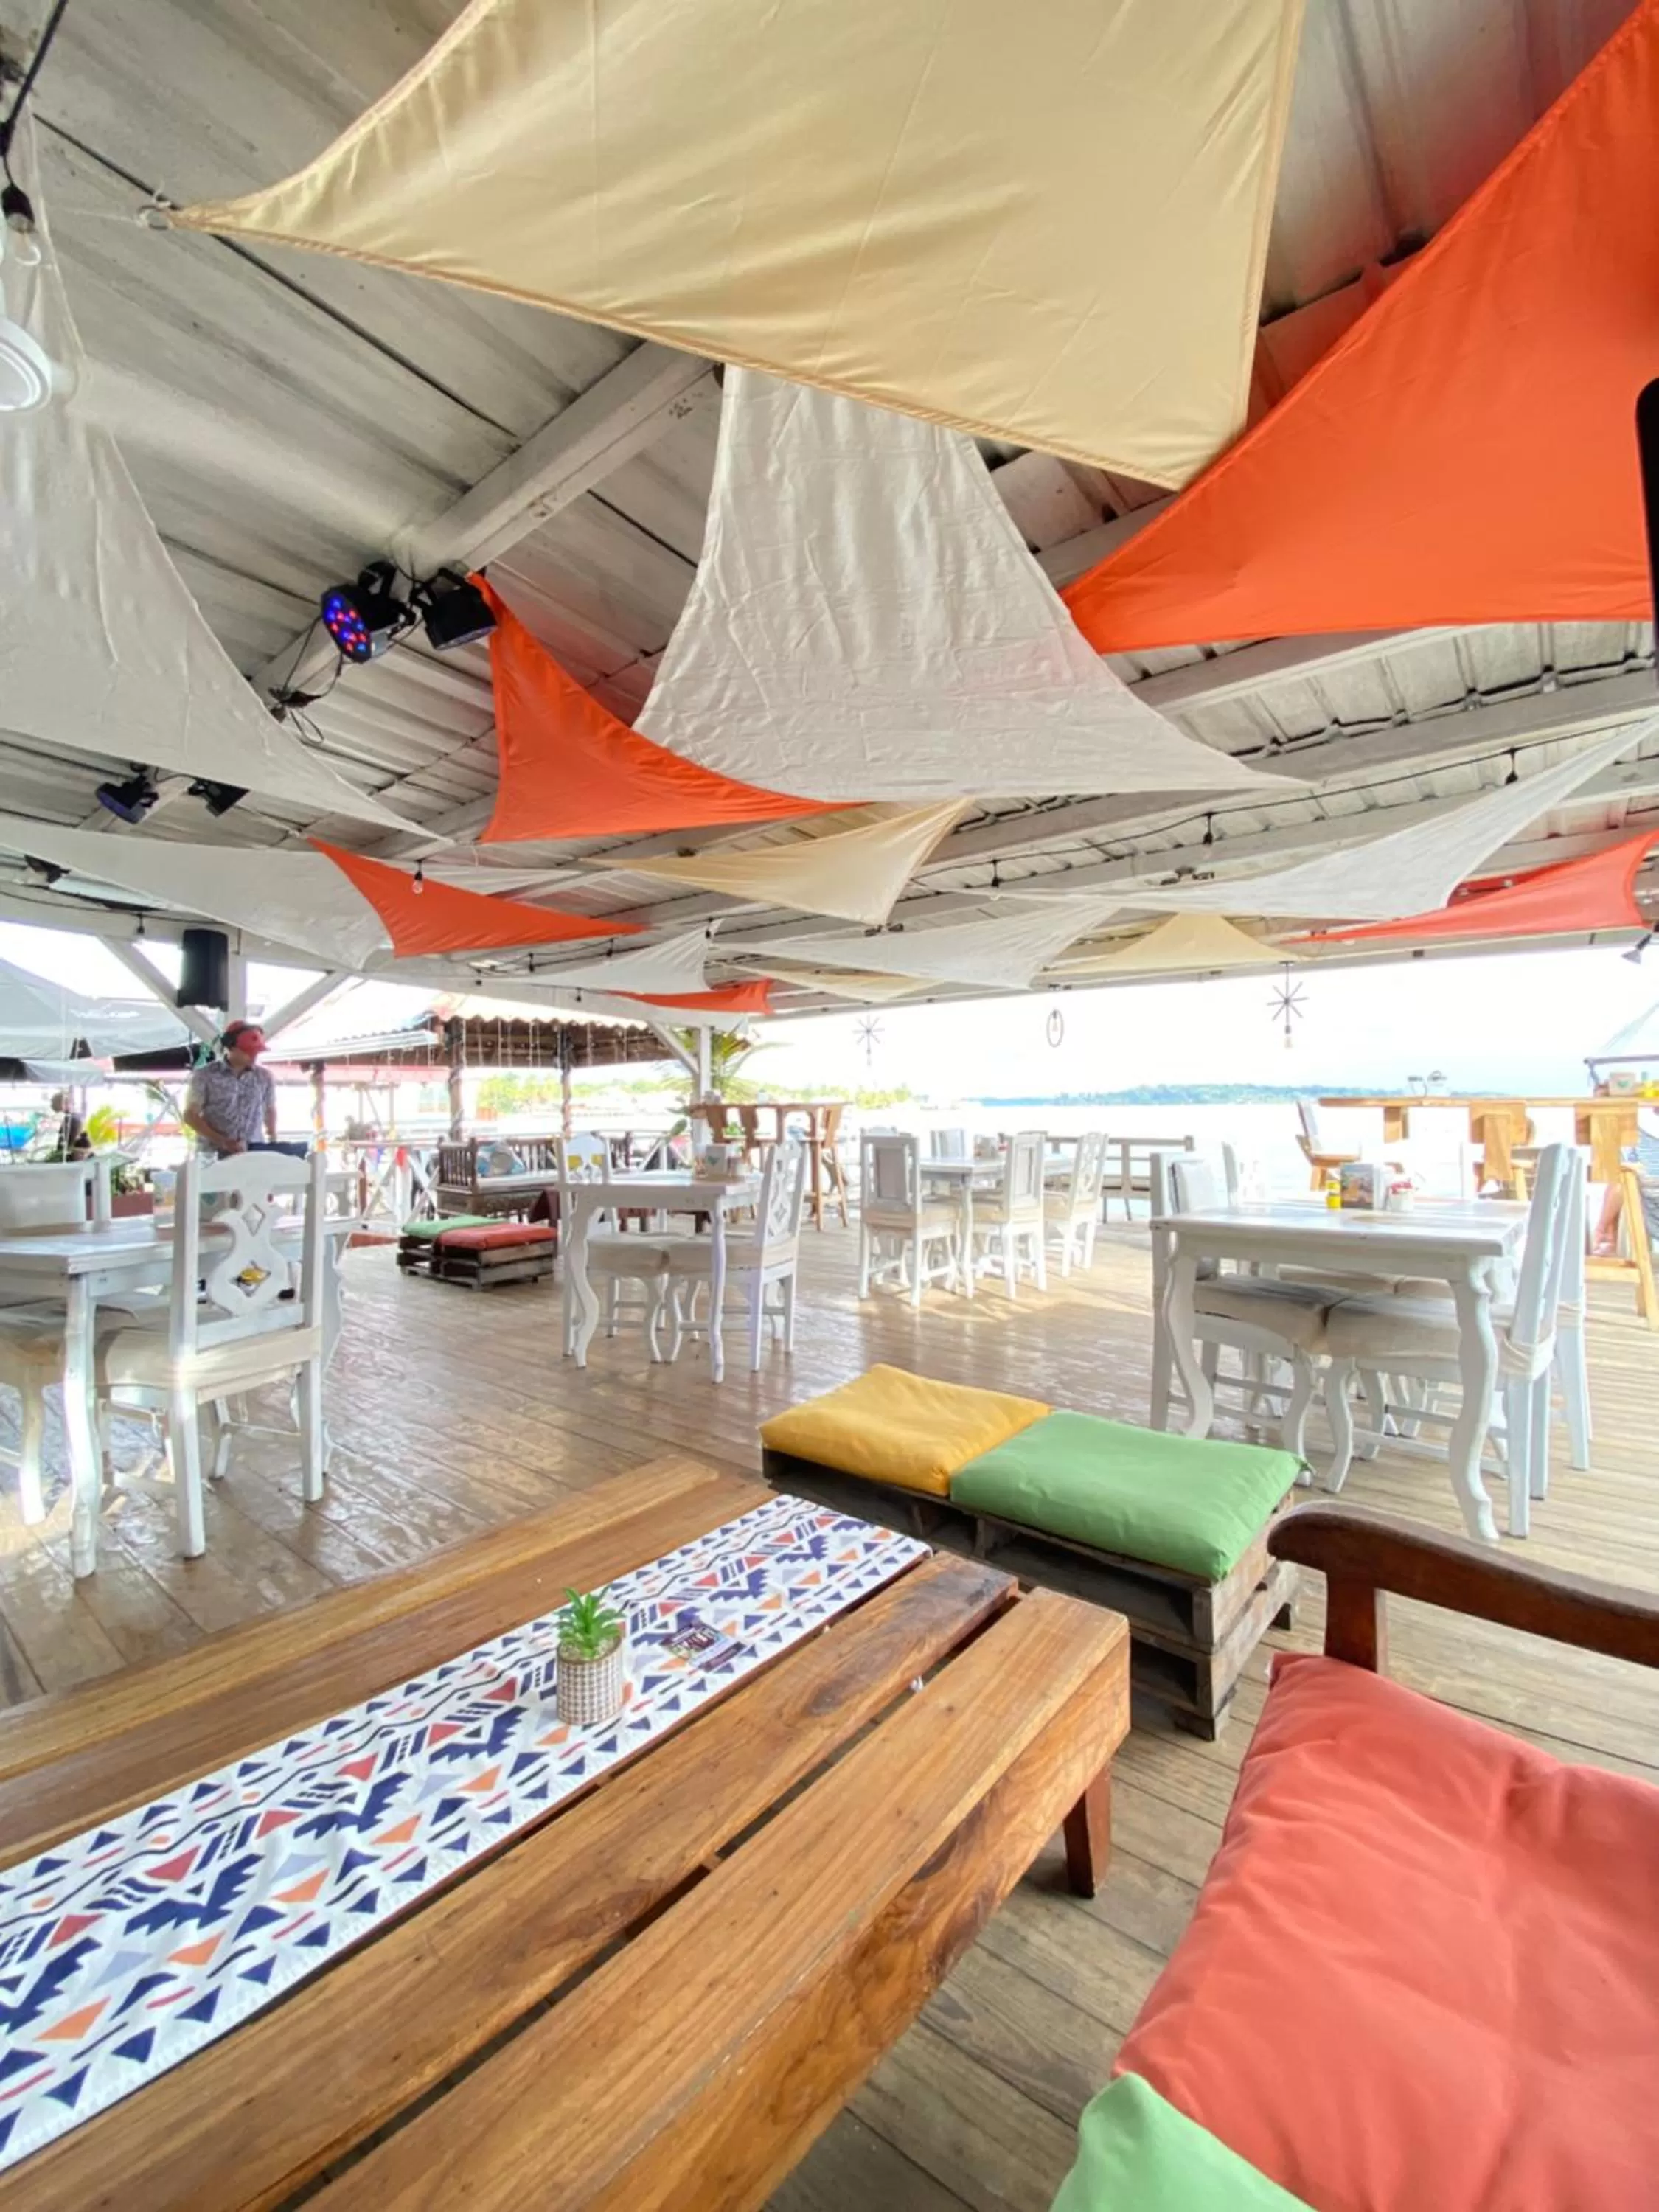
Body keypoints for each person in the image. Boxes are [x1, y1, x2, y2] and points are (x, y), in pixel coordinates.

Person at [182, 1022, 305, 1160]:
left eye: (256, 1052)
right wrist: (222, 1141)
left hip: (253, 1154)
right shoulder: (204, 1076)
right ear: (231, 1047)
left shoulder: (264, 1077)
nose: (253, 1057)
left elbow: (270, 1110)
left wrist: (273, 1139)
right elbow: (190, 1115)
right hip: (213, 1156)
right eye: (248, 1052)